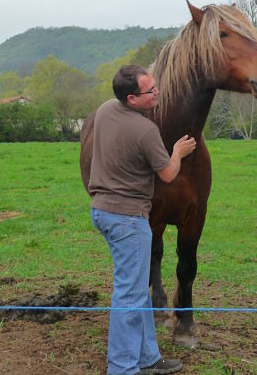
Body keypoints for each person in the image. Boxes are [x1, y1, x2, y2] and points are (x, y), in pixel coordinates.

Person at [89, 64, 196, 375]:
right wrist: (177, 151)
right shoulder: (146, 131)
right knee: (130, 293)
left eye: (156, 86)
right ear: (132, 98)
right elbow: (167, 173)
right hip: (127, 219)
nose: (157, 93)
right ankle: (122, 368)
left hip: (102, 211)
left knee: (135, 288)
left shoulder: (107, 109)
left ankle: (148, 356)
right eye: (151, 91)